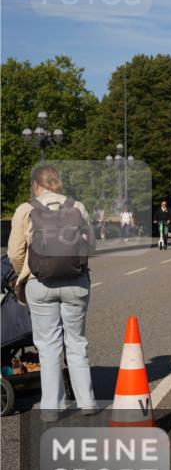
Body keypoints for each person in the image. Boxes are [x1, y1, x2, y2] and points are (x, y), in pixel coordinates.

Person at [8, 165, 97, 417]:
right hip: (76, 282)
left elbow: (15, 252)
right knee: (77, 343)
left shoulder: (26, 210)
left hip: (39, 283)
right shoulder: (77, 207)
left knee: (48, 347)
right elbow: (90, 246)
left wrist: (23, 272)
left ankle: (51, 408)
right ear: (57, 183)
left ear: (36, 185)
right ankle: (87, 402)